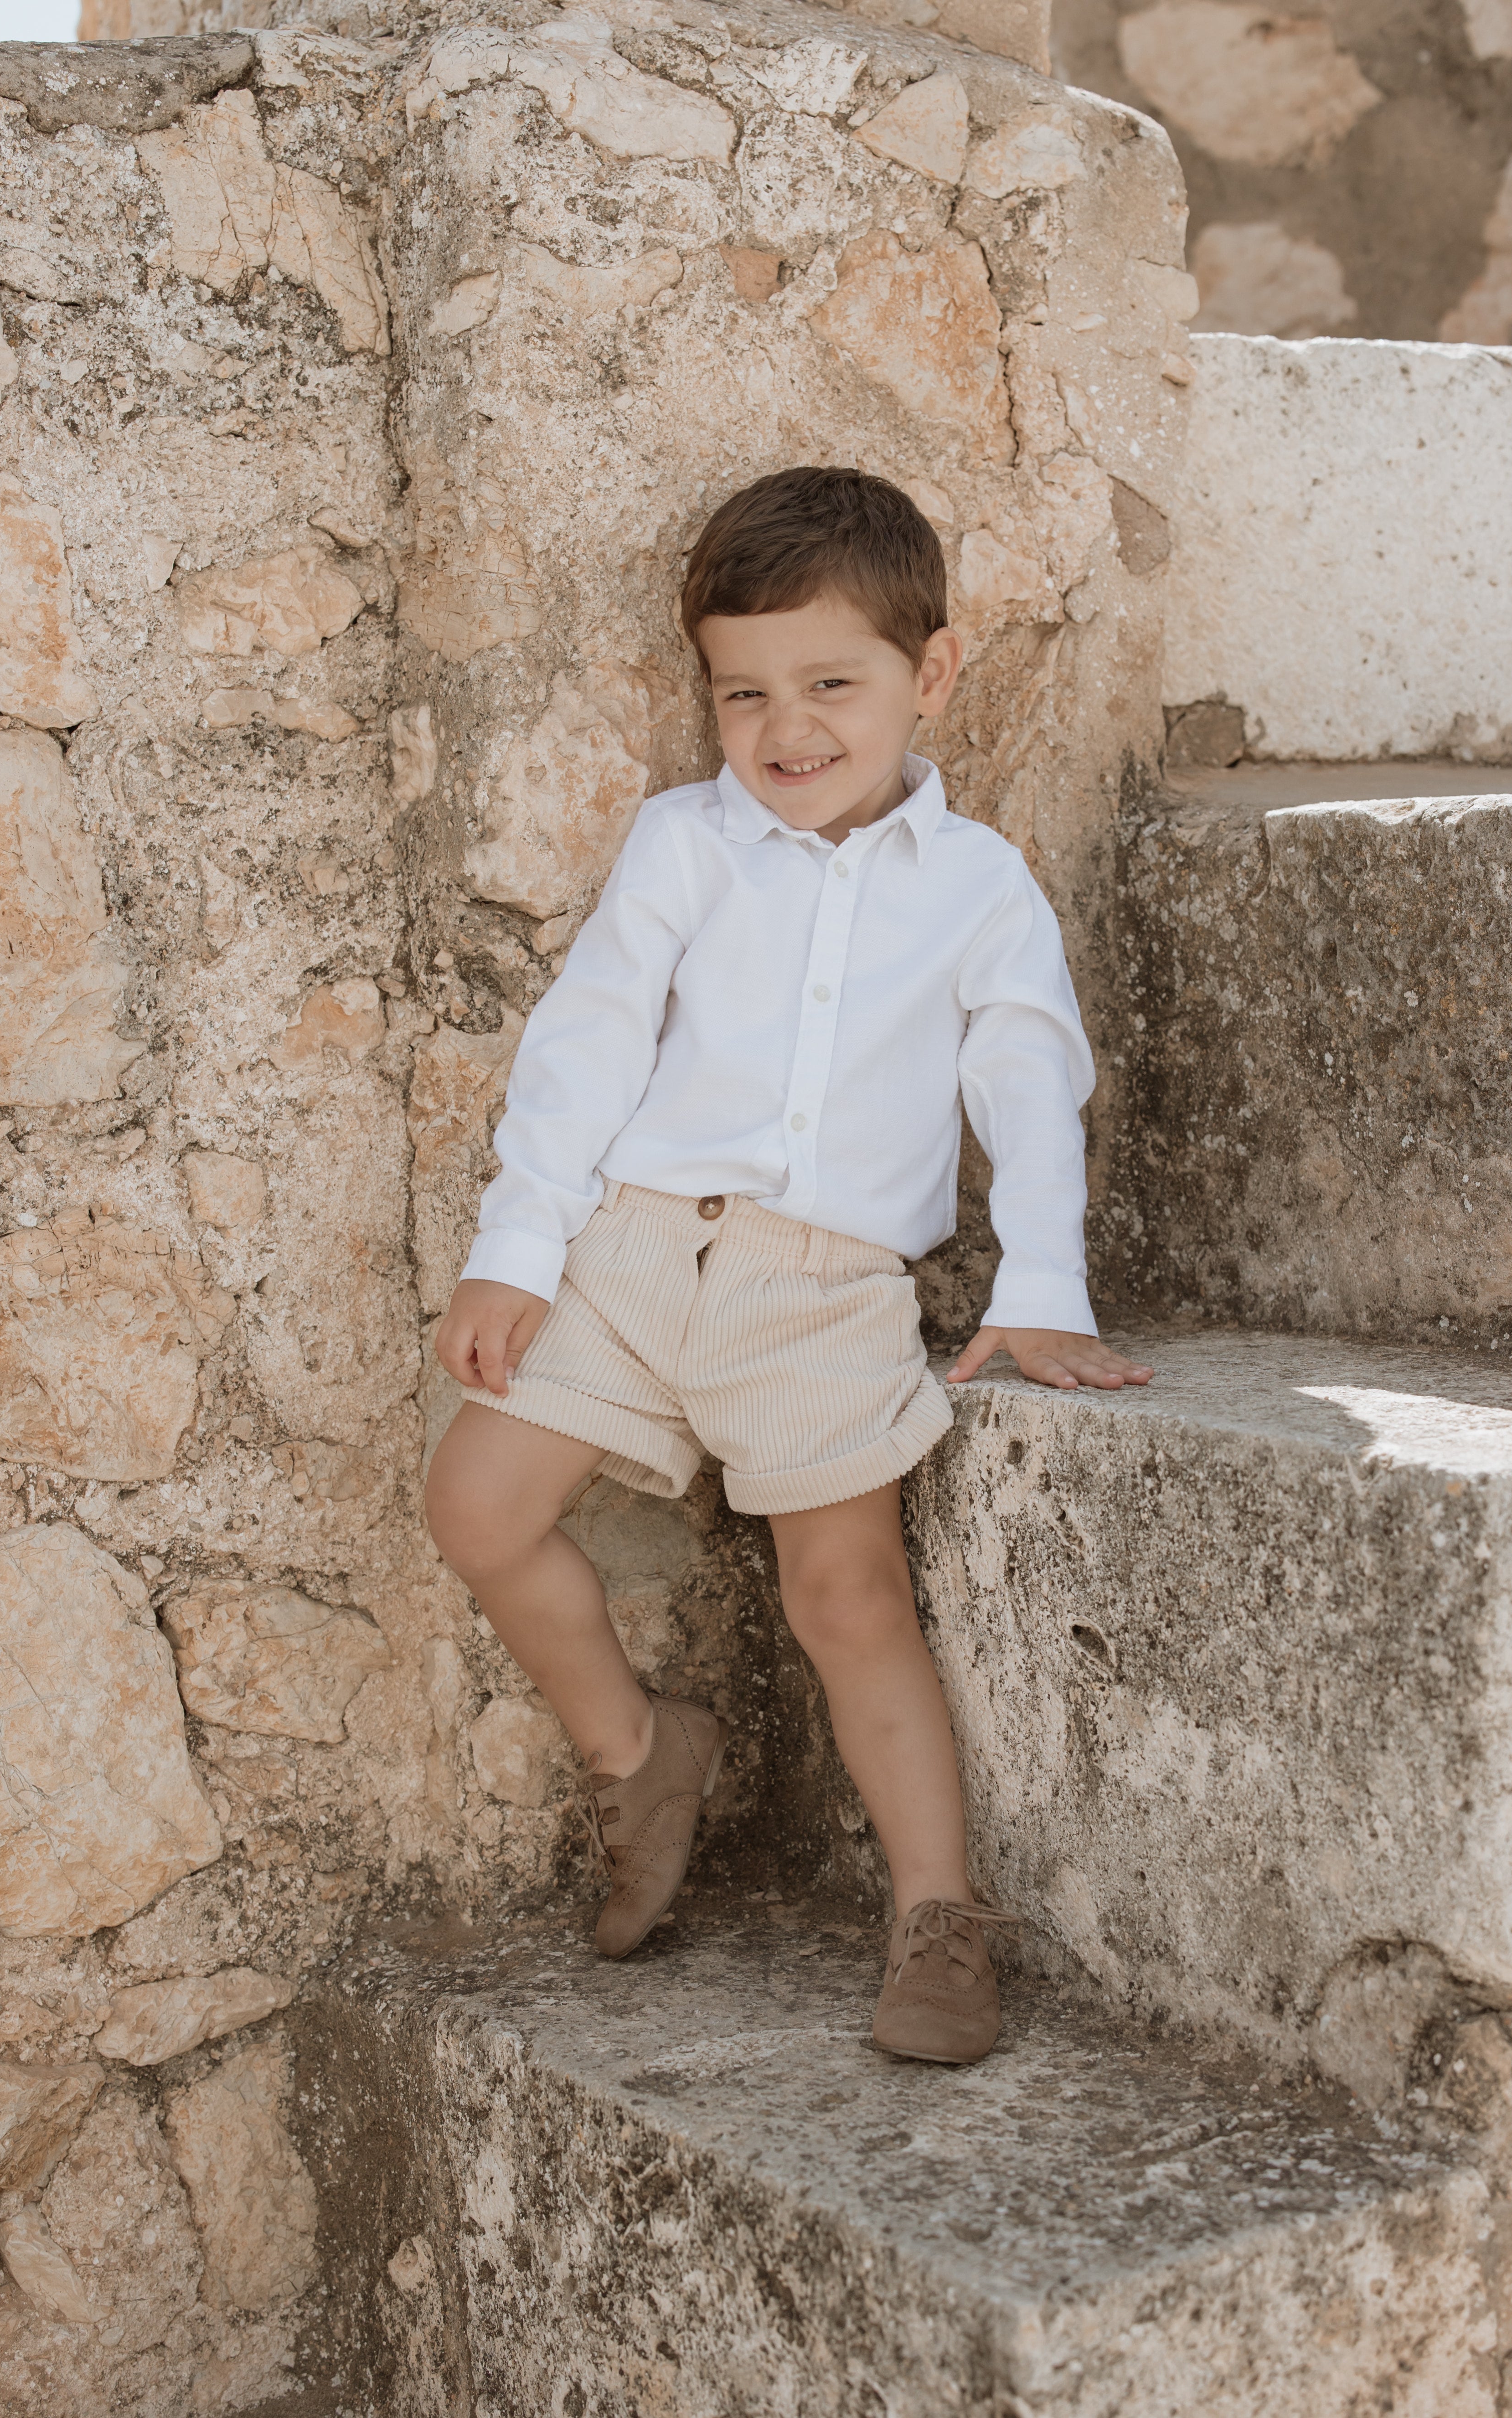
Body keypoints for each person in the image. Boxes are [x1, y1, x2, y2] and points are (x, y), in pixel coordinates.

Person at [425, 465, 1151, 2065]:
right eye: (743, 692)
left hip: (823, 1290)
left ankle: (938, 1912)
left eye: (832, 684)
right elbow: (589, 1043)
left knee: (845, 1595)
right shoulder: (684, 845)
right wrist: (515, 1251)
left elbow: (1029, 1080)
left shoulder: (977, 890)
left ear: (929, 675)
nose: (786, 728)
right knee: (473, 1506)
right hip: (630, 1254)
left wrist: (1043, 1282)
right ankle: (641, 1752)